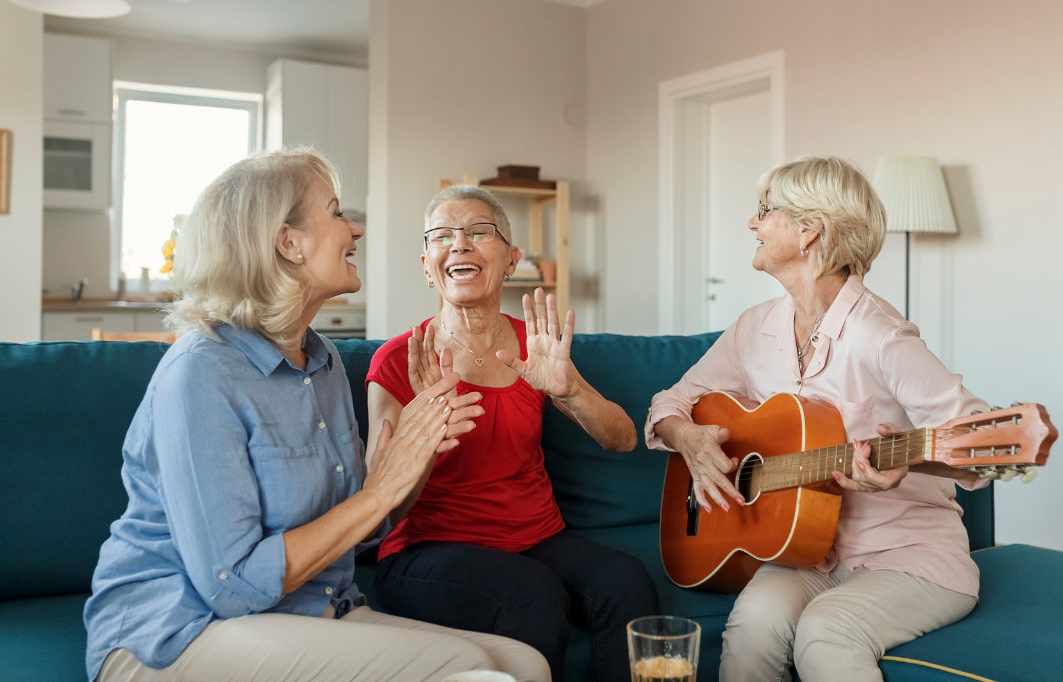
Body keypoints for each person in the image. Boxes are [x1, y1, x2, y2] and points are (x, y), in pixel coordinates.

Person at [84, 149, 550, 682]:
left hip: (313, 609)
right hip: (180, 631)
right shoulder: (200, 371)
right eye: (335, 212)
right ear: (289, 243)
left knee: (524, 665)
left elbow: (367, 532)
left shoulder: (323, 361)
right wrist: (381, 489)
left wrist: (411, 457)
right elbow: (231, 583)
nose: (355, 229)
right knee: (468, 668)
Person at [646, 157, 989, 682]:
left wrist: (911, 465)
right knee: (751, 628)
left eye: (764, 211)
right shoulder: (753, 328)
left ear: (809, 231)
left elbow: (983, 441)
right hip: (808, 554)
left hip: (909, 555)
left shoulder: (881, 335)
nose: (752, 223)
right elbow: (668, 405)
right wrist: (688, 438)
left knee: (827, 630)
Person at [366, 185, 660, 682]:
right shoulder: (400, 359)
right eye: (442, 236)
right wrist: (426, 433)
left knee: (625, 581)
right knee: (532, 593)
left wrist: (568, 391)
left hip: (539, 538)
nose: (459, 244)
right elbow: (385, 508)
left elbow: (623, 439)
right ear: (426, 263)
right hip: (428, 549)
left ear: (511, 259)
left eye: (479, 232)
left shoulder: (534, 346)